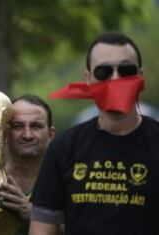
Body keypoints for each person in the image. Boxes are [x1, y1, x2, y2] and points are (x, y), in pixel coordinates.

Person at [29, 32, 159, 235]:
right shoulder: (65, 147)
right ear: (88, 79)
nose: (115, 78)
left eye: (126, 70)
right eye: (104, 71)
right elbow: (42, 228)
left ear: (140, 76)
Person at [0, 94, 55, 235]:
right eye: (17, 126)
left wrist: (35, 218)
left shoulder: (66, 185)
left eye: (36, 126)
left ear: (51, 135)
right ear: (4, 134)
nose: (27, 135)